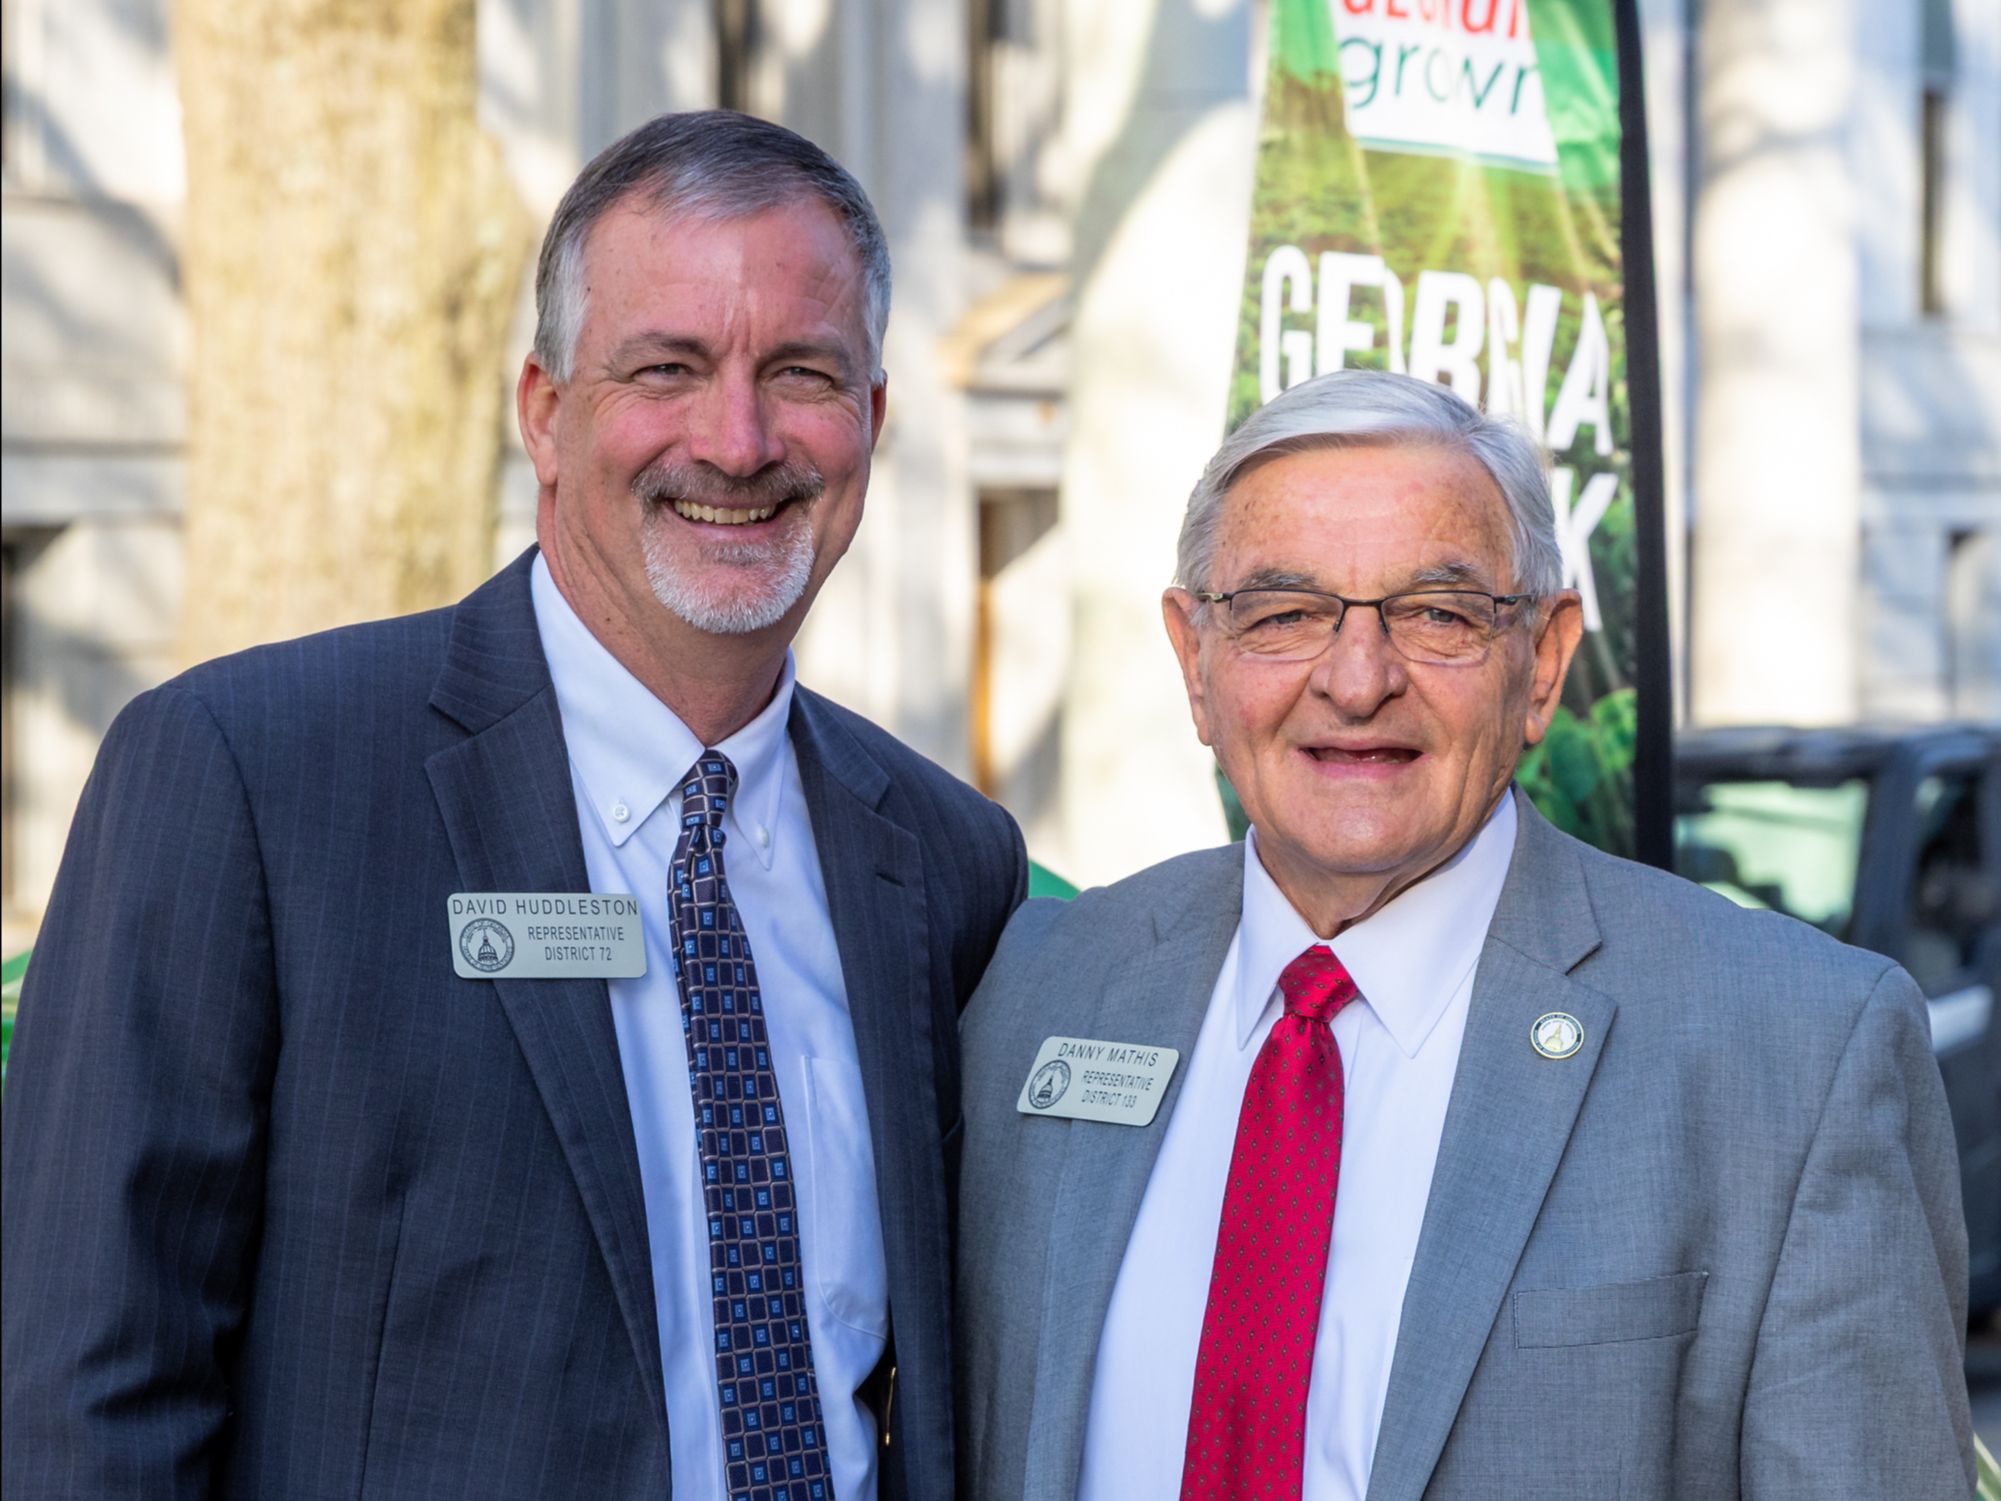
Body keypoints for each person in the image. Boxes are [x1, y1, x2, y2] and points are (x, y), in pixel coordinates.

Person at [2, 110, 1025, 1500]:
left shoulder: (949, 862)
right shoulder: (249, 779)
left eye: (800, 373)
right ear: (545, 413)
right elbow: (84, 1406)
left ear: (872, 421)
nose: (736, 441)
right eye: (666, 369)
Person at [954, 369, 1973, 1501]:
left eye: (1436, 614)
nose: (1356, 680)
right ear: (1196, 661)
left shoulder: (1793, 1056)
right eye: (1284, 614)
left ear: (1542, 662)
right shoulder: (1038, 992)